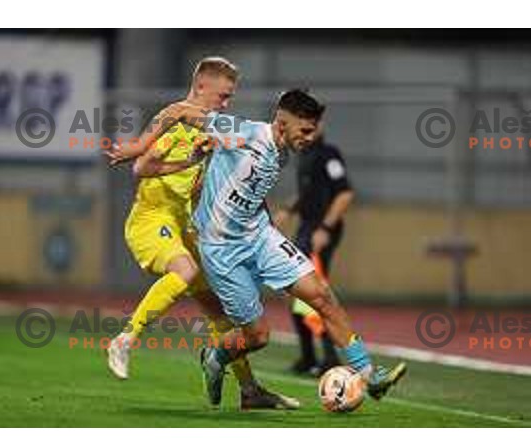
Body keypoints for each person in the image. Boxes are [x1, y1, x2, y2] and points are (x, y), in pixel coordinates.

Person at [105, 57, 299, 410]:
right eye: (223, 96)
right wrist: (188, 161)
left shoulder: (214, 127)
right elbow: (142, 166)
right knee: (186, 271)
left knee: (221, 311)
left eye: (230, 98)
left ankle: (250, 390)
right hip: (152, 220)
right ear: (201, 87)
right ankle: (126, 338)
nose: (227, 104)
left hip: (187, 227)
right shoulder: (178, 120)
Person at [193, 89, 406, 406]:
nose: (311, 136)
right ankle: (216, 355)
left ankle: (368, 373)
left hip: (260, 236)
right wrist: (144, 147)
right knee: (257, 337)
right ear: (281, 124)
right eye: (305, 129)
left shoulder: (283, 152)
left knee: (321, 294)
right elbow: (182, 112)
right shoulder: (244, 131)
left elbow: (250, 187)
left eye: (314, 129)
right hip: (221, 247)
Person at [275, 125, 354, 376]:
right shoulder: (304, 155)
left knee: (315, 292)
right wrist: (288, 211)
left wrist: (326, 228)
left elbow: (344, 194)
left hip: (320, 230)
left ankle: (329, 357)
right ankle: (309, 357)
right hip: (306, 229)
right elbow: (306, 193)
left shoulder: (329, 154)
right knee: (293, 291)